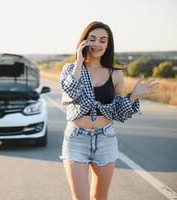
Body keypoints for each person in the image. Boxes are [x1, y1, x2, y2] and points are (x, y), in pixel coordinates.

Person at [59, 21, 159, 200]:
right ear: (84, 41)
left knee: (100, 197)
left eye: (103, 40)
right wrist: (79, 61)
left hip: (105, 139)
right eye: (93, 39)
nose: (97, 44)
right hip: (76, 139)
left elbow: (118, 112)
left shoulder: (116, 74)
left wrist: (134, 95)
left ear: (108, 45)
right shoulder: (70, 69)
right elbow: (70, 92)